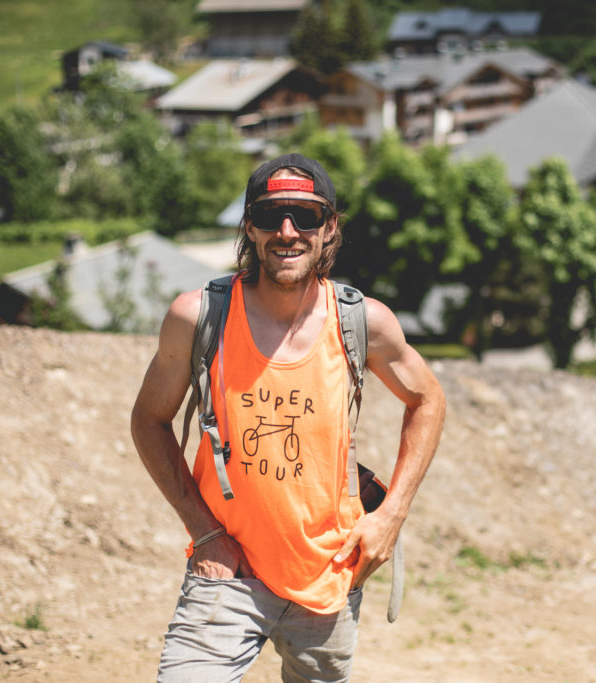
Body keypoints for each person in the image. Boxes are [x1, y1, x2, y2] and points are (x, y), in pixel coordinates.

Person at [130, 153, 446, 682]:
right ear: (249, 226)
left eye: (305, 215)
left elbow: (428, 400)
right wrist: (206, 534)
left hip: (329, 575)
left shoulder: (361, 322)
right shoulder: (198, 317)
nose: (287, 230)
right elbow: (148, 421)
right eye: (272, 213)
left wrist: (390, 515)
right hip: (228, 571)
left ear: (329, 229)